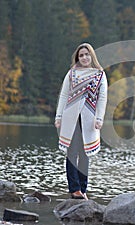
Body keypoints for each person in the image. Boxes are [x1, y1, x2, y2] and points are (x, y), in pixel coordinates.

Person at [54, 43, 107, 199]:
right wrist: (59, 117)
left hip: (89, 119)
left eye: (87, 54)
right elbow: (64, 95)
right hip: (71, 118)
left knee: (85, 154)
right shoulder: (72, 74)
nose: (84, 57)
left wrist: (99, 118)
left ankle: (83, 189)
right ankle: (74, 188)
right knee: (72, 153)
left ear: (92, 56)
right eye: (81, 55)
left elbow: (102, 98)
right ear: (78, 58)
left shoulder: (99, 75)